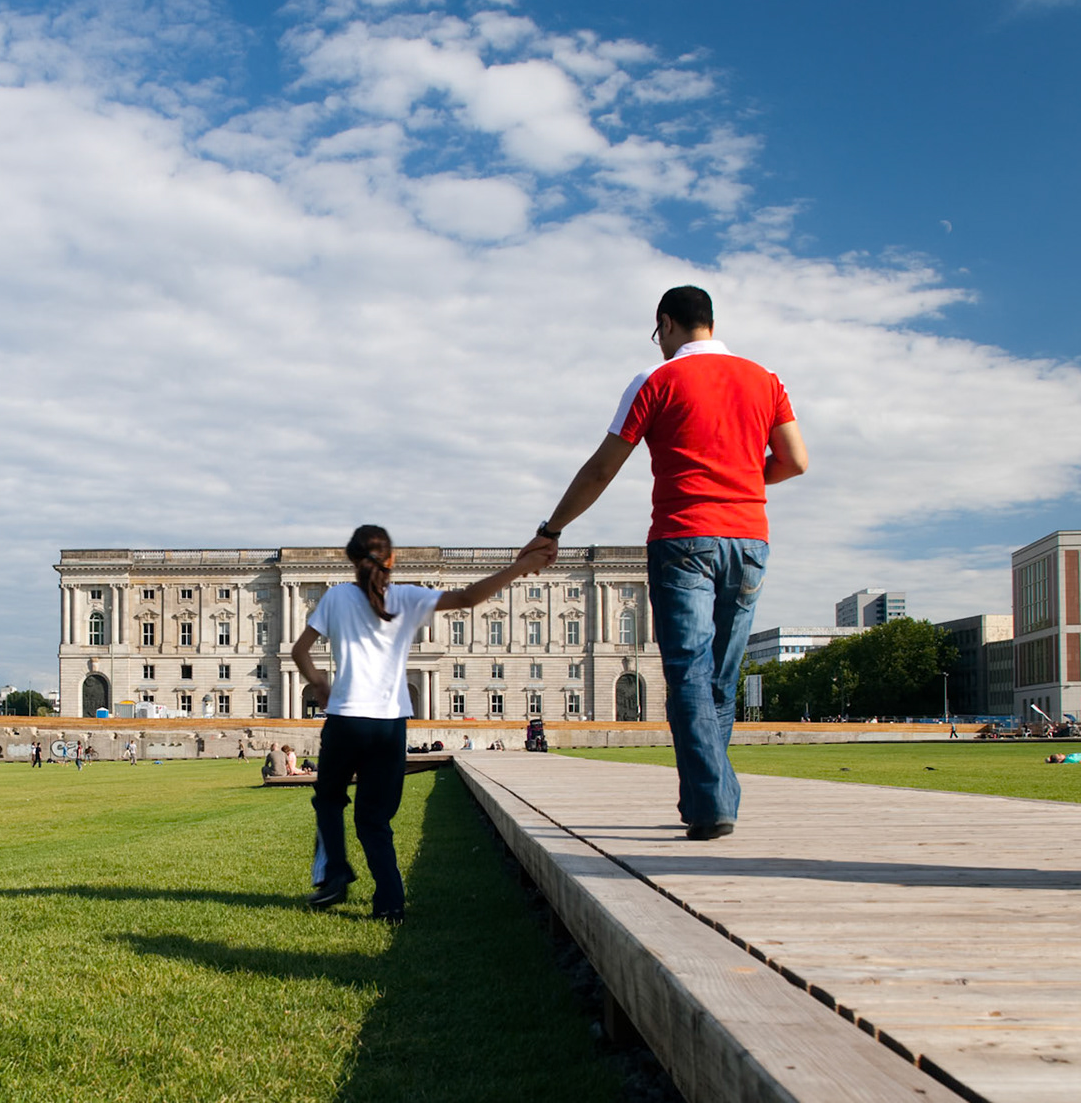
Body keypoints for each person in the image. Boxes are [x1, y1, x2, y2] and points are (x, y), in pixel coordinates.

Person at [521, 286, 807, 841]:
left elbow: (602, 468)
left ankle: (710, 802)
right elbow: (794, 461)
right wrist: (746, 481)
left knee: (688, 673)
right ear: (713, 322)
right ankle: (707, 796)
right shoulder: (766, 379)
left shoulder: (657, 380)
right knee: (722, 676)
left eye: (659, 335)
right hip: (750, 541)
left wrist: (551, 529)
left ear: (667, 325)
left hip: (683, 540)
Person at [293, 524, 551, 921]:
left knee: (329, 799)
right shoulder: (408, 597)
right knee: (374, 819)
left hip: (345, 719)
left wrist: (318, 682)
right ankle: (391, 901)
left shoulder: (337, 596)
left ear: (352, 560)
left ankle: (336, 871)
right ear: (392, 560)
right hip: (390, 725)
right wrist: (520, 566)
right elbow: (467, 597)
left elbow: (300, 651)